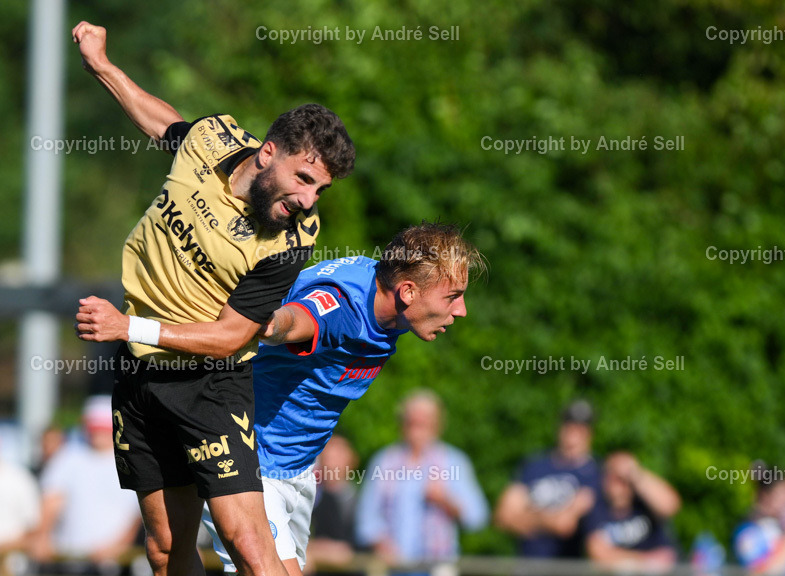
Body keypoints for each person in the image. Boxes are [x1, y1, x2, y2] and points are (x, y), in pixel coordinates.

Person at [70, 21, 355, 576]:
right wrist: (103, 67)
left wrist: (128, 328)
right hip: (141, 376)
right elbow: (163, 122)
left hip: (208, 383)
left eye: (319, 189)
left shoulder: (289, 239)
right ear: (267, 152)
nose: (307, 199)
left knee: (246, 542)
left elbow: (231, 337)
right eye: (302, 178)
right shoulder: (210, 142)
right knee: (163, 548)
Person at [200, 223, 485, 576]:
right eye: (452, 296)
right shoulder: (345, 306)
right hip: (249, 461)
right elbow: (297, 320)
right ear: (409, 292)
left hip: (299, 469)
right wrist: (264, 324)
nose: (462, 311)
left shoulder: (387, 296)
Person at [355, 391, 489, 566]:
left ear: (438, 424)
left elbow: (477, 517)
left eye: (424, 421)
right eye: (412, 421)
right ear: (402, 423)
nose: (417, 427)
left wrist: (445, 500)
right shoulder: (384, 461)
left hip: (437, 566)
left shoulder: (453, 461)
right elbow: (366, 517)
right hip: (391, 566)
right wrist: (379, 542)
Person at [31, 397, 142, 574]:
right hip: (67, 560)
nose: (97, 433)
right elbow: (52, 500)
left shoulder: (133, 462)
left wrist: (119, 545)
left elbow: (138, 512)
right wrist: (43, 535)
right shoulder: (68, 457)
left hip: (112, 563)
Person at [494, 400, 602, 558]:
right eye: (569, 427)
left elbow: (564, 524)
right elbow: (503, 516)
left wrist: (528, 515)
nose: (573, 435)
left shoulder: (596, 473)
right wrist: (549, 520)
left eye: (580, 429)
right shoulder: (534, 466)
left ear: (590, 433)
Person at [583, 451, 680, 573]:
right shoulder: (597, 507)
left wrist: (635, 473)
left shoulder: (644, 502)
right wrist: (646, 561)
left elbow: (671, 506)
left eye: (624, 478)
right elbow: (598, 554)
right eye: (614, 476)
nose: (620, 483)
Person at [305, 436, 359, 574]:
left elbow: (345, 551)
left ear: (351, 462)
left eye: (336, 459)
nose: (331, 465)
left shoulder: (357, 501)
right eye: (327, 459)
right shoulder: (316, 498)